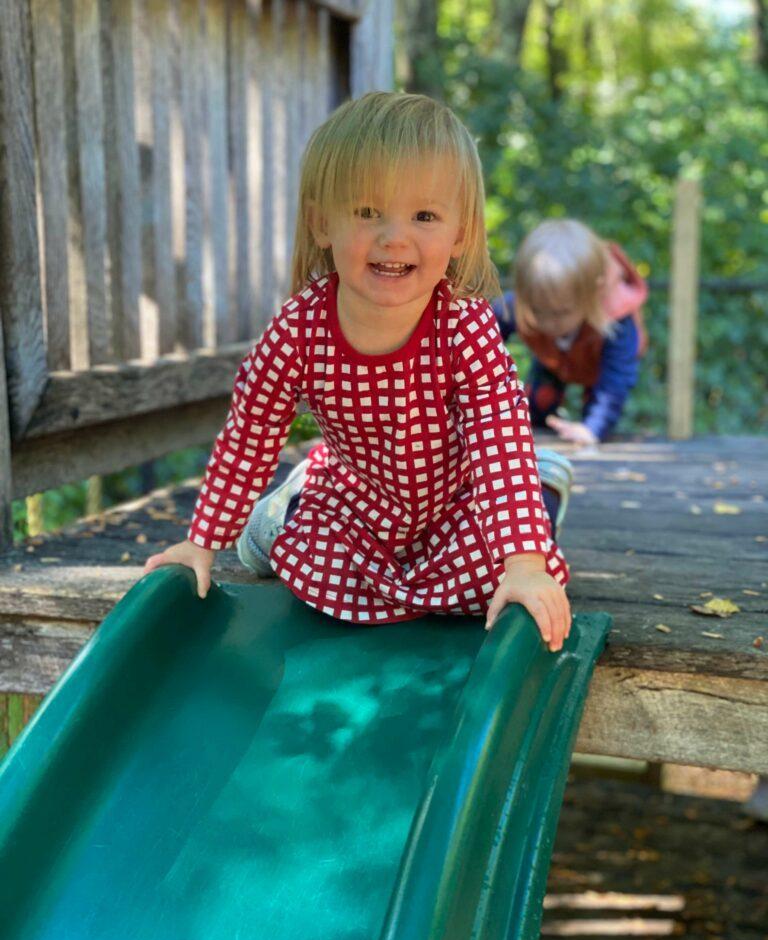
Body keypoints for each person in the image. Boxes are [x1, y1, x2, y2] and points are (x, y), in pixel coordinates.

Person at [144, 92, 572, 651]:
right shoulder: (300, 330)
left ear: (460, 232)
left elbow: (498, 437)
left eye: (424, 216)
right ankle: (282, 512)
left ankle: (542, 491)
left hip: (454, 502)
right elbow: (250, 433)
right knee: (310, 572)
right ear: (324, 223)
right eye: (369, 212)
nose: (394, 237)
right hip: (359, 505)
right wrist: (202, 543)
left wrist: (524, 564)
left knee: (514, 572)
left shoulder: (465, 325)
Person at [493, 219, 648, 446]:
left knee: (595, 418)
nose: (547, 323)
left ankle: (592, 427)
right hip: (552, 359)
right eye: (538, 311)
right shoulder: (522, 305)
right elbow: (482, 330)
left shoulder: (617, 322)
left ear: (590, 298)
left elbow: (615, 382)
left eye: (560, 313)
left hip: (597, 366)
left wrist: (592, 429)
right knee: (536, 406)